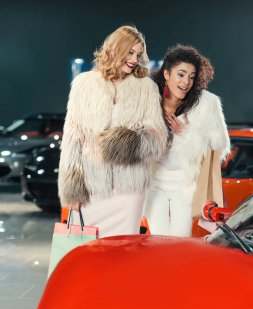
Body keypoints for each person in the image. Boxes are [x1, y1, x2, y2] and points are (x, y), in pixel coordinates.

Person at [58, 25, 168, 238]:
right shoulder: (83, 84)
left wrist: (120, 144)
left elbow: (157, 138)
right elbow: (72, 140)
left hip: (129, 191)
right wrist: (72, 188)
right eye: (130, 52)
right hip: (92, 189)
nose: (135, 59)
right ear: (116, 48)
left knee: (123, 252)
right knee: (91, 254)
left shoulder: (146, 87)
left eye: (138, 54)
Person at [143, 44, 230, 237]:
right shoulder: (148, 101)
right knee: (158, 239)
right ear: (166, 74)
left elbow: (219, 145)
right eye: (181, 75)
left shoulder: (205, 104)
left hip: (185, 184)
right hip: (154, 183)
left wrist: (186, 134)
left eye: (191, 77)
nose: (186, 82)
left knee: (180, 239)